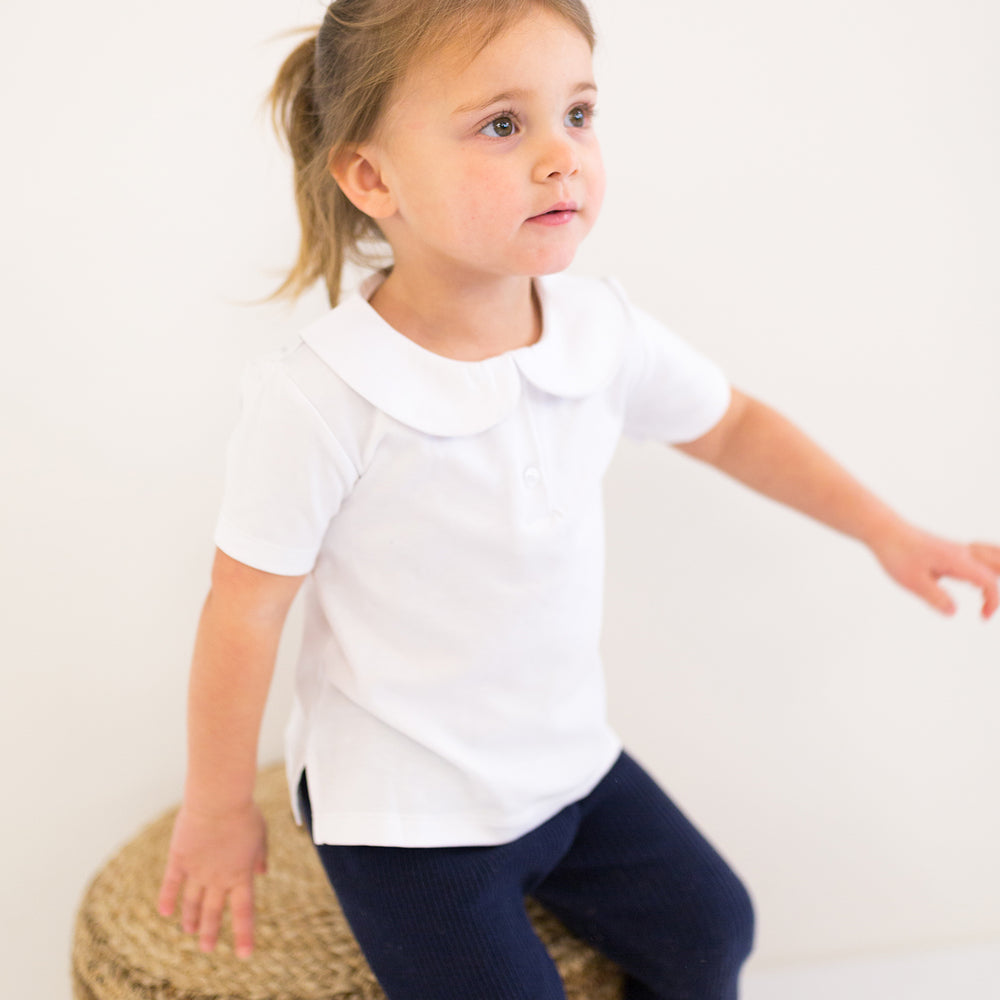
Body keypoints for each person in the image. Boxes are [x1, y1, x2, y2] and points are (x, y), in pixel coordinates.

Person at [157, 1, 1000, 997]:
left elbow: (730, 425)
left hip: (566, 763)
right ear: (372, 177)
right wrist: (215, 808)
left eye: (580, 112)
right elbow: (245, 607)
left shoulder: (599, 329)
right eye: (503, 125)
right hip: (407, 812)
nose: (562, 156)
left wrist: (888, 532)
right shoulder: (323, 396)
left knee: (712, 928)